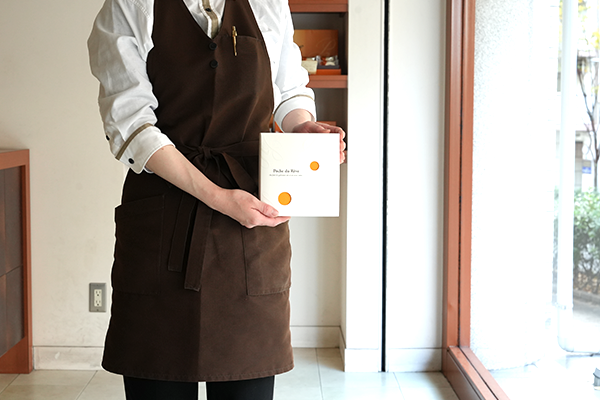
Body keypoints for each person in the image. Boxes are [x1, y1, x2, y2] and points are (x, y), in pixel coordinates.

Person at [87, 0, 346, 399]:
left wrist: (303, 126)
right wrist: (219, 198)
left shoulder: (266, 3)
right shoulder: (131, 5)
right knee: (158, 379)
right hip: (164, 214)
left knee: (248, 381)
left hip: (251, 222)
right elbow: (132, 124)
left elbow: (288, 90)